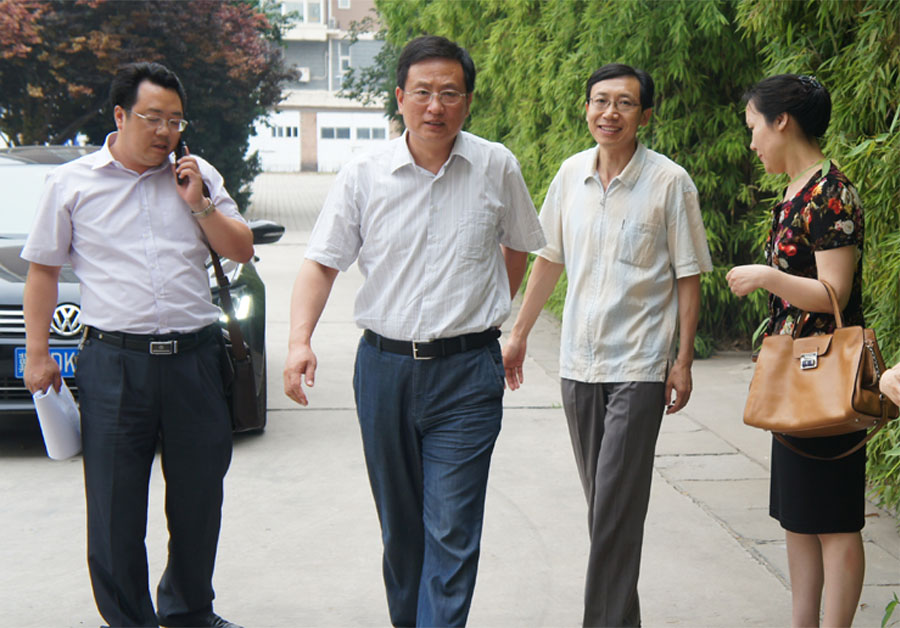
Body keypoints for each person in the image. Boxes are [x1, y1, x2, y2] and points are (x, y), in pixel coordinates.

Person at [283, 35, 545, 627]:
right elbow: (321, 263)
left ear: (467, 101)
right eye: (423, 92)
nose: (435, 106)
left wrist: (489, 311)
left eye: (449, 93)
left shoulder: (496, 166)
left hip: (468, 373)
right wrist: (300, 341)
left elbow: (518, 247)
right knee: (402, 532)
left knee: (452, 530)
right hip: (384, 370)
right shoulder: (364, 173)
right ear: (399, 97)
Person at [22, 62, 251, 628]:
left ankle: (189, 609)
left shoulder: (198, 175)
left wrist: (199, 203)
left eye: (175, 120)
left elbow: (241, 249)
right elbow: (43, 272)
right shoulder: (72, 183)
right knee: (115, 506)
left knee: (199, 498)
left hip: (196, 360)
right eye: (153, 118)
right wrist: (38, 352)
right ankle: (129, 619)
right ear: (121, 115)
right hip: (115, 363)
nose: (165, 131)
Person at [502, 63, 712, 627]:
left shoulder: (670, 182)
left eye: (624, 102)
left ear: (646, 115)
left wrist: (682, 360)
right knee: (607, 511)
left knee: (613, 508)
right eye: (600, 101)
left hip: (639, 365)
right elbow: (549, 259)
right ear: (586, 108)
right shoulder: (570, 174)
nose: (609, 112)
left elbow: (688, 275)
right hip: (578, 364)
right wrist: (518, 334)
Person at [727, 74, 866, 627]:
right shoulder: (794, 190)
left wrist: (767, 276)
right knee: (799, 516)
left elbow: (835, 293)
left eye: (754, 127)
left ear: (781, 121)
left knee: (834, 519)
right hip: (794, 373)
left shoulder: (831, 192)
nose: (752, 142)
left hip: (827, 374)